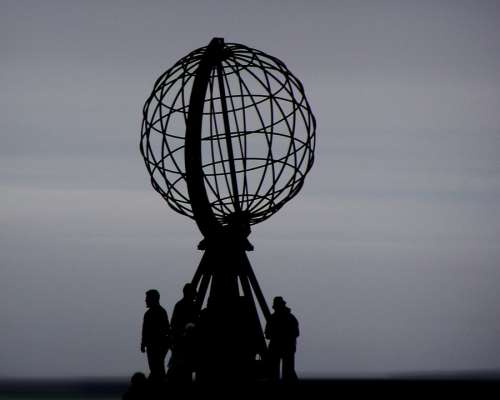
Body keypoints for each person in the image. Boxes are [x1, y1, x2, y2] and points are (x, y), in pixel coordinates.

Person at [265, 296, 300, 382]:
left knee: (276, 372)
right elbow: (296, 333)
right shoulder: (291, 317)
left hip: (277, 348)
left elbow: (268, 335)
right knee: (288, 371)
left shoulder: (273, 318)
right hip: (287, 348)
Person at [141, 289, 170, 381]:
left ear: (153, 299)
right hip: (157, 345)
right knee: (157, 368)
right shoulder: (161, 312)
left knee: (156, 368)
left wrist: (143, 343)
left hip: (155, 346)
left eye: (147, 298)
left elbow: (145, 331)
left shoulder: (150, 314)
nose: (145, 300)